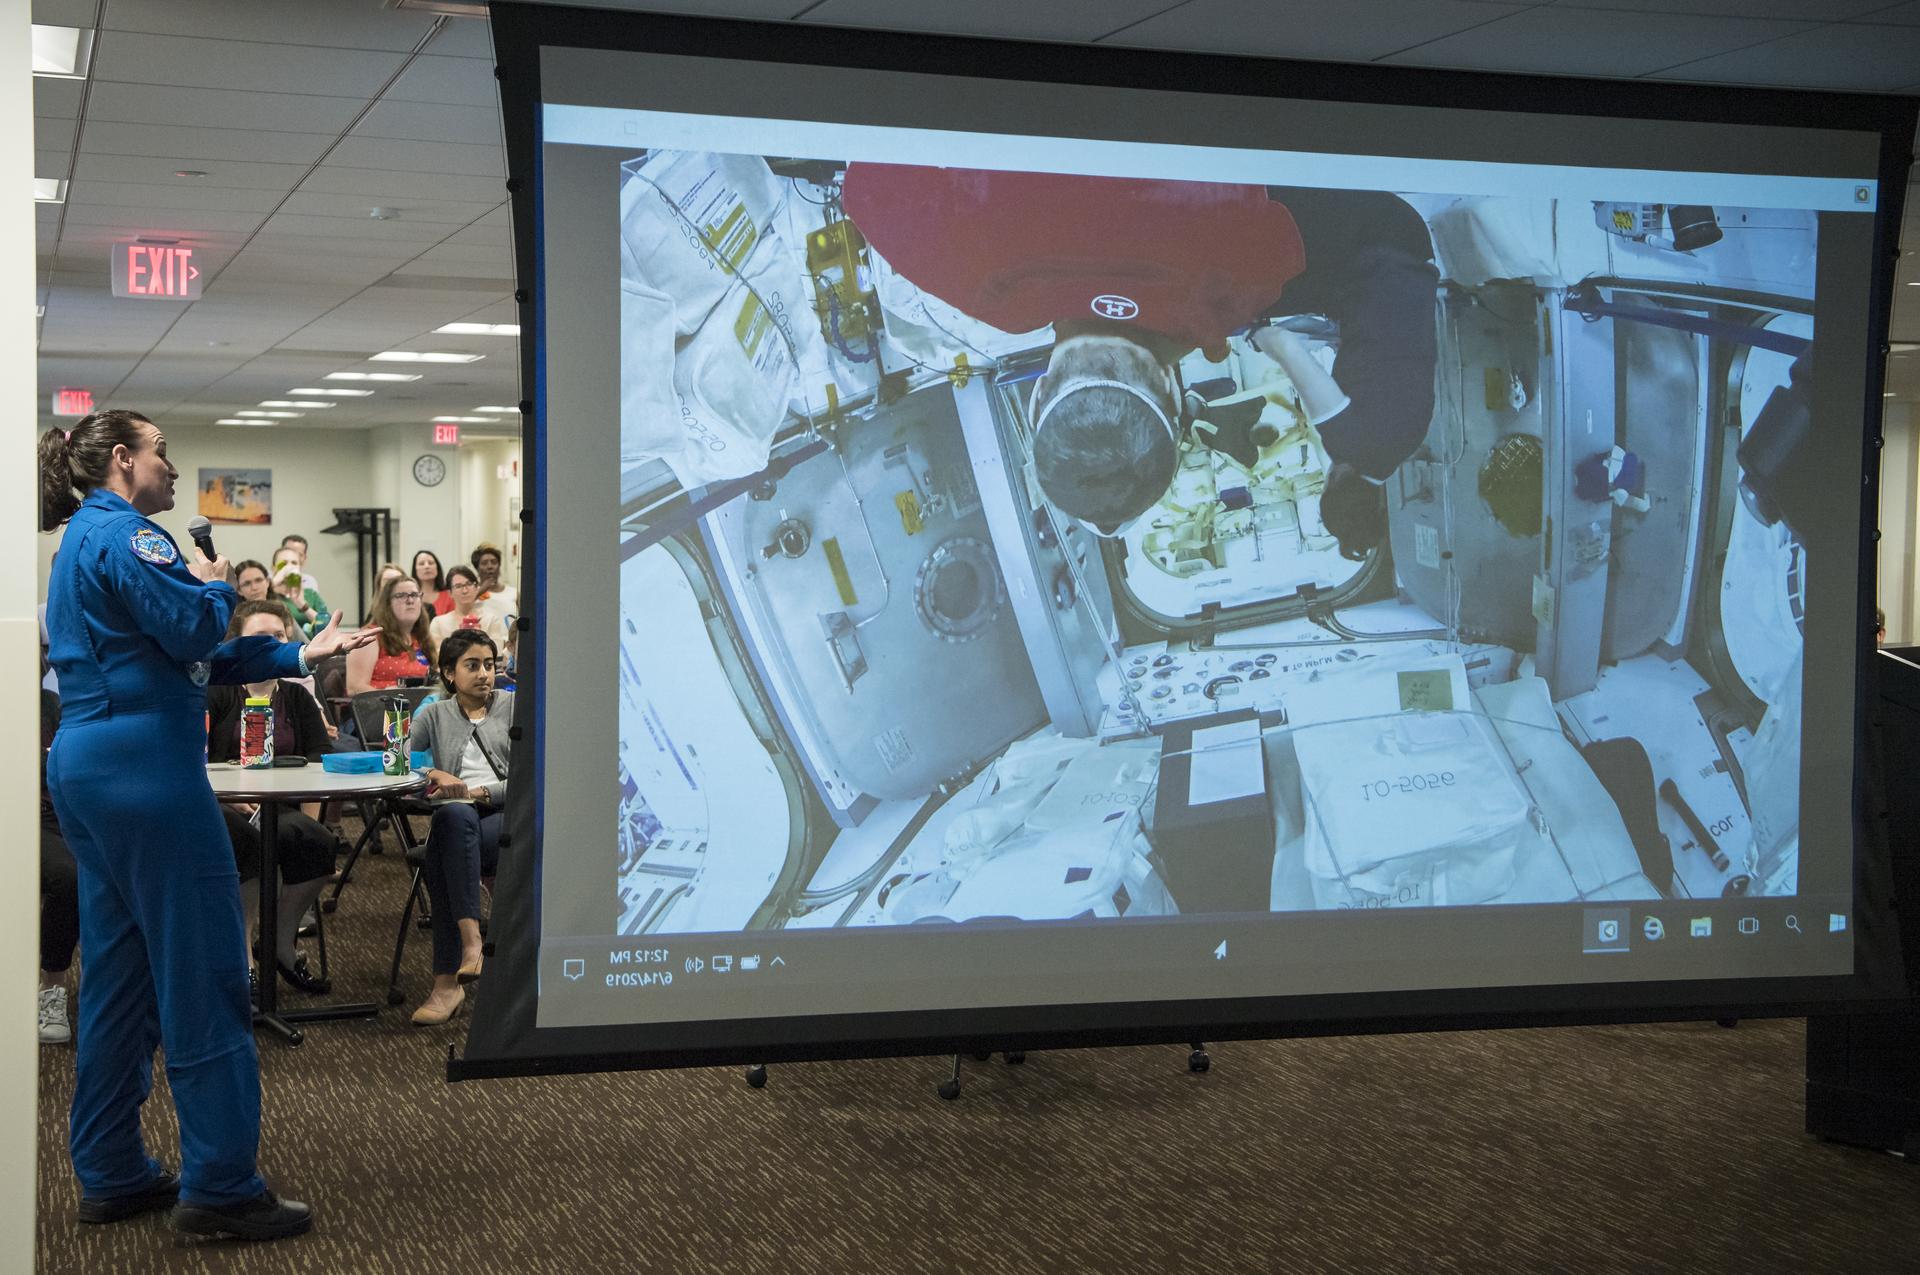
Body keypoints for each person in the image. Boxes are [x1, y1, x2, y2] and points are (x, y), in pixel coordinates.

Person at [38, 408, 373, 1240]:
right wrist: (219, 581)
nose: (175, 467)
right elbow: (195, 626)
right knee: (204, 971)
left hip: (90, 766)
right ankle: (222, 1185)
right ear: (123, 459)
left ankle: (111, 1166)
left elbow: (183, 656)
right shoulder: (131, 537)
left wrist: (300, 653)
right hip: (148, 770)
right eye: (162, 452)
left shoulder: (83, 539)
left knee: (120, 976)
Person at [839, 168, 1438, 556]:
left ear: (1179, 404)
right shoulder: (954, 264)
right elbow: (859, 181)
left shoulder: (1263, 265)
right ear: (1038, 392)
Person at [206, 600, 342, 996]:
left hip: (278, 804)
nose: (271, 647)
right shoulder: (218, 693)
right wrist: (228, 798)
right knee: (247, 843)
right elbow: (201, 762)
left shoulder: (297, 697)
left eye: (279, 638)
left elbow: (319, 762)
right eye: (259, 639)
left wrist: (312, 821)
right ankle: (243, 955)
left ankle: (280, 943)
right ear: (237, 645)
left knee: (317, 842)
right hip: (221, 807)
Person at [406, 629, 513, 1026]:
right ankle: (472, 942)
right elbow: (395, 760)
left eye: (489, 664)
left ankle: (447, 983)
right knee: (452, 820)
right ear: (449, 673)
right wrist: (434, 771)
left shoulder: (513, 706)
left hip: (504, 818)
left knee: (444, 846)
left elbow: (534, 774)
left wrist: (480, 792)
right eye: (472, 665)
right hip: (457, 820)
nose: (484, 673)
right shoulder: (434, 713)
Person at [40, 688, 79, 1046]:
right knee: (68, 878)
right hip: (16, 817)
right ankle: (52, 987)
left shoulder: (49, 702)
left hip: (55, 814)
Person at [346, 574, 435, 696]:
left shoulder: (421, 637)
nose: (410, 600)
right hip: (382, 709)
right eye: (401, 595)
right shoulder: (370, 637)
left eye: (414, 595)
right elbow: (354, 688)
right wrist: (389, 695)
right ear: (387, 603)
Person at [429, 563, 510, 650]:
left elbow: (497, 652)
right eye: (458, 586)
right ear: (450, 593)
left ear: (476, 588)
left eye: (469, 584)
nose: (465, 590)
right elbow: (437, 656)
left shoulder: (491, 620)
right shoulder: (439, 623)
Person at [269, 548, 330, 639]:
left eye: (294, 563)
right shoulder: (266, 594)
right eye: (283, 563)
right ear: (274, 568)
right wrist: (272, 584)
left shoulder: (311, 594)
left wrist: (302, 605)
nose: (289, 567)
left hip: (310, 648)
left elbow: (328, 627)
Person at [470, 541, 518, 618]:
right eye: (484, 563)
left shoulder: (514, 593)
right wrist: (481, 591)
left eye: (494, 562)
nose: (490, 566)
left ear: (499, 566)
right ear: (477, 568)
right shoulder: (471, 594)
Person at [413, 548, 453, 616]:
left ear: (437, 568)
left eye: (431, 563)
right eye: (421, 564)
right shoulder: (411, 597)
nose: (427, 566)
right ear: (415, 570)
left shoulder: (449, 596)